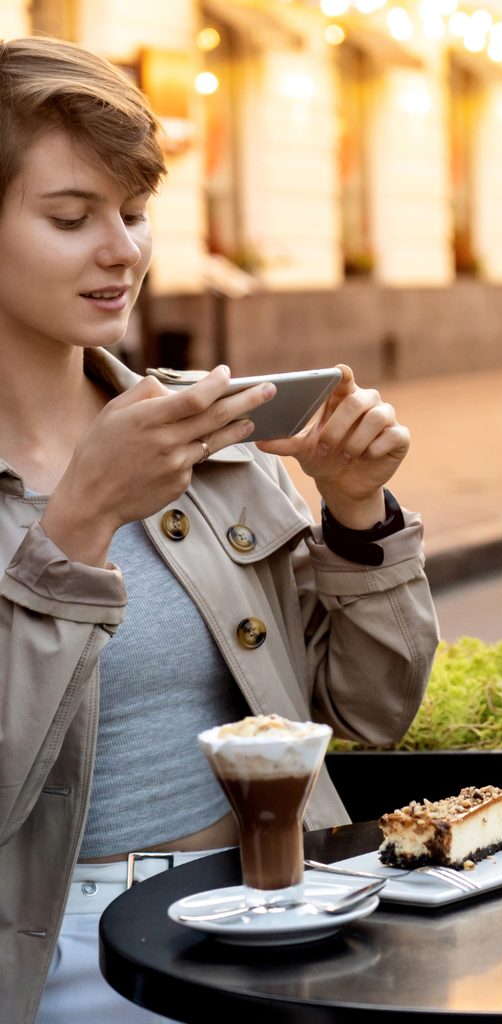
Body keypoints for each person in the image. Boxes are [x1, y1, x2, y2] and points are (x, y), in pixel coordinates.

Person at [0, 37, 439, 1023]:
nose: (122, 250)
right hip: (47, 964)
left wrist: (356, 514)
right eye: (70, 217)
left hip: (270, 920)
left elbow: (371, 710)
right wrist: (77, 526)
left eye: (133, 212)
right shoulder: (135, 464)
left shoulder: (208, 437)